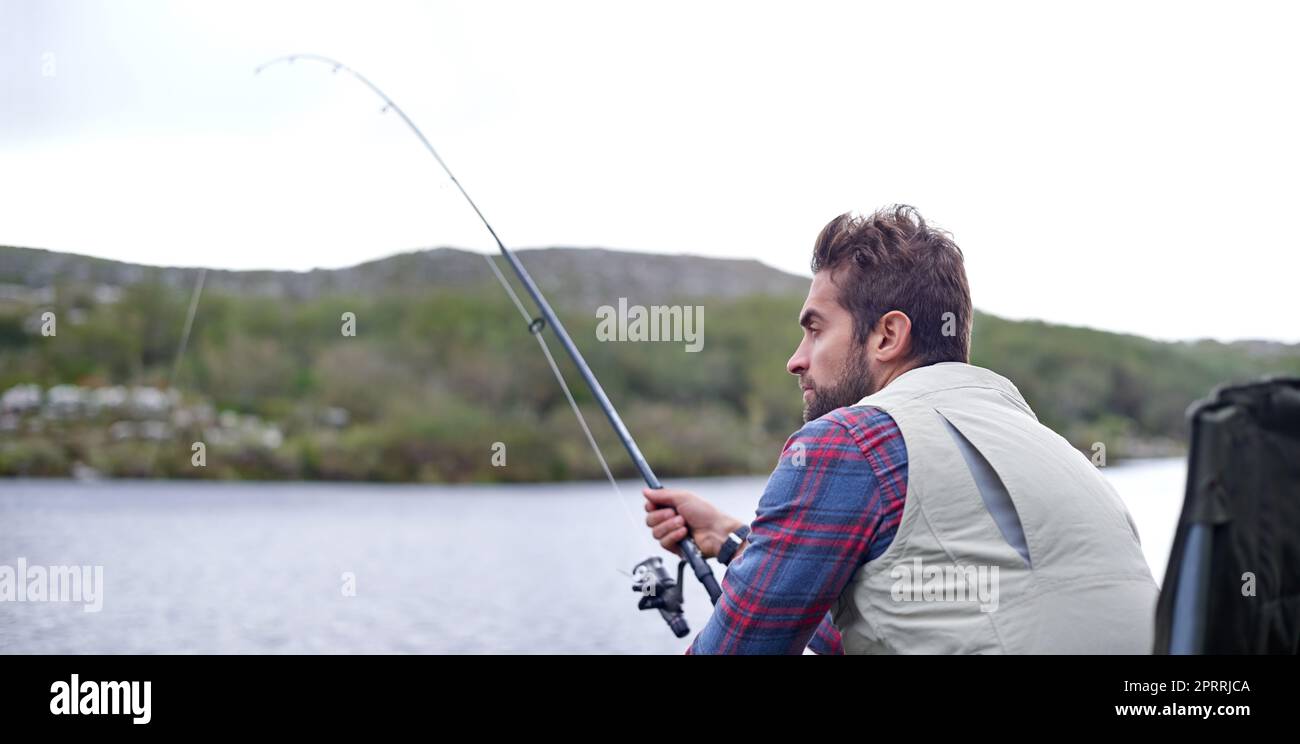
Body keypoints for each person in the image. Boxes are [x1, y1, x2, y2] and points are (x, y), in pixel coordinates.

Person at [644, 205, 1158, 654]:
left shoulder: (851, 441)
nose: (795, 361)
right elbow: (892, 623)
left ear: (888, 335)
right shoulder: (1057, 451)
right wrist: (728, 538)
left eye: (815, 329)